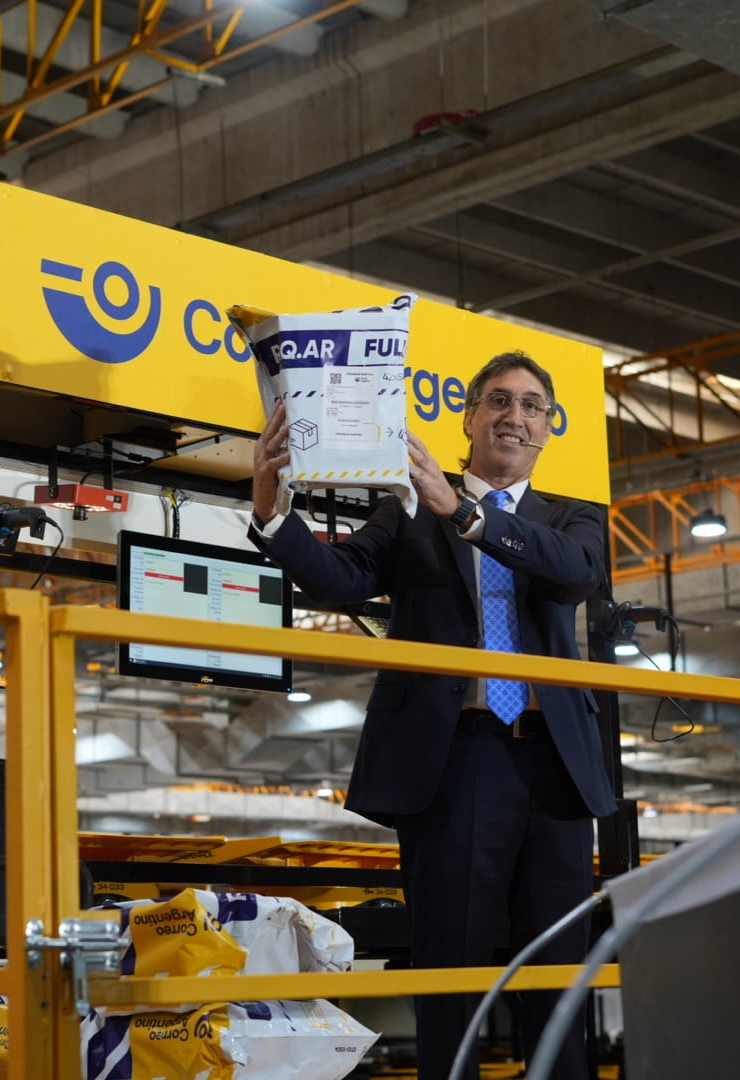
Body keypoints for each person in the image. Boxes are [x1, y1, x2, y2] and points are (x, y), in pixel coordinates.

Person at [248, 350, 614, 1080]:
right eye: (499, 401)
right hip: (457, 760)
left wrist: (468, 515)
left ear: (548, 427)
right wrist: (271, 512)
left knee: (559, 976)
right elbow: (338, 579)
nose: (515, 417)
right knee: (451, 969)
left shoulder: (571, 516)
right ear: (469, 417)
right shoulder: (409, 510)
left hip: (556, 767)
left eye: (532, 406)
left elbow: (575, 574)